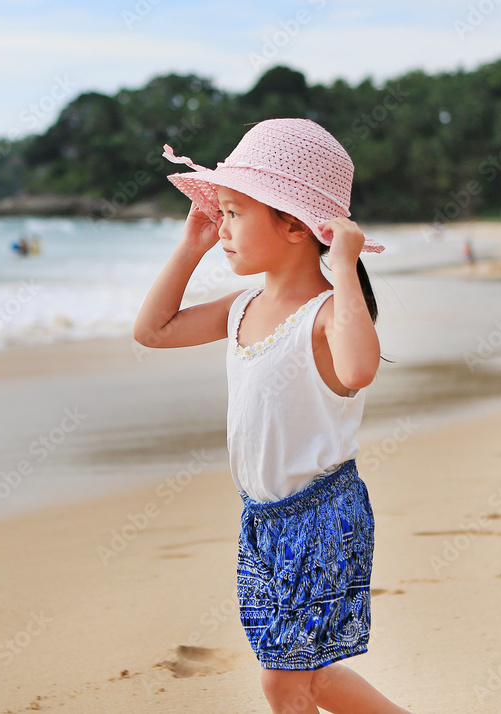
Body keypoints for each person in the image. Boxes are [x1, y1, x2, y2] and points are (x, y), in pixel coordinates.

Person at [133, 118, 409, 714]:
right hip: (262, 522)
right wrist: (189, 247)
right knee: (312, 677)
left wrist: (341, 267)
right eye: (221, 213)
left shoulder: (327, 314)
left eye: (233, 213)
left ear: (292, 224)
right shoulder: (241, 308)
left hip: (322, 521)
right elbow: (152, 331)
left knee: (283, 684)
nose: (222, 228)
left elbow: (358, 368)